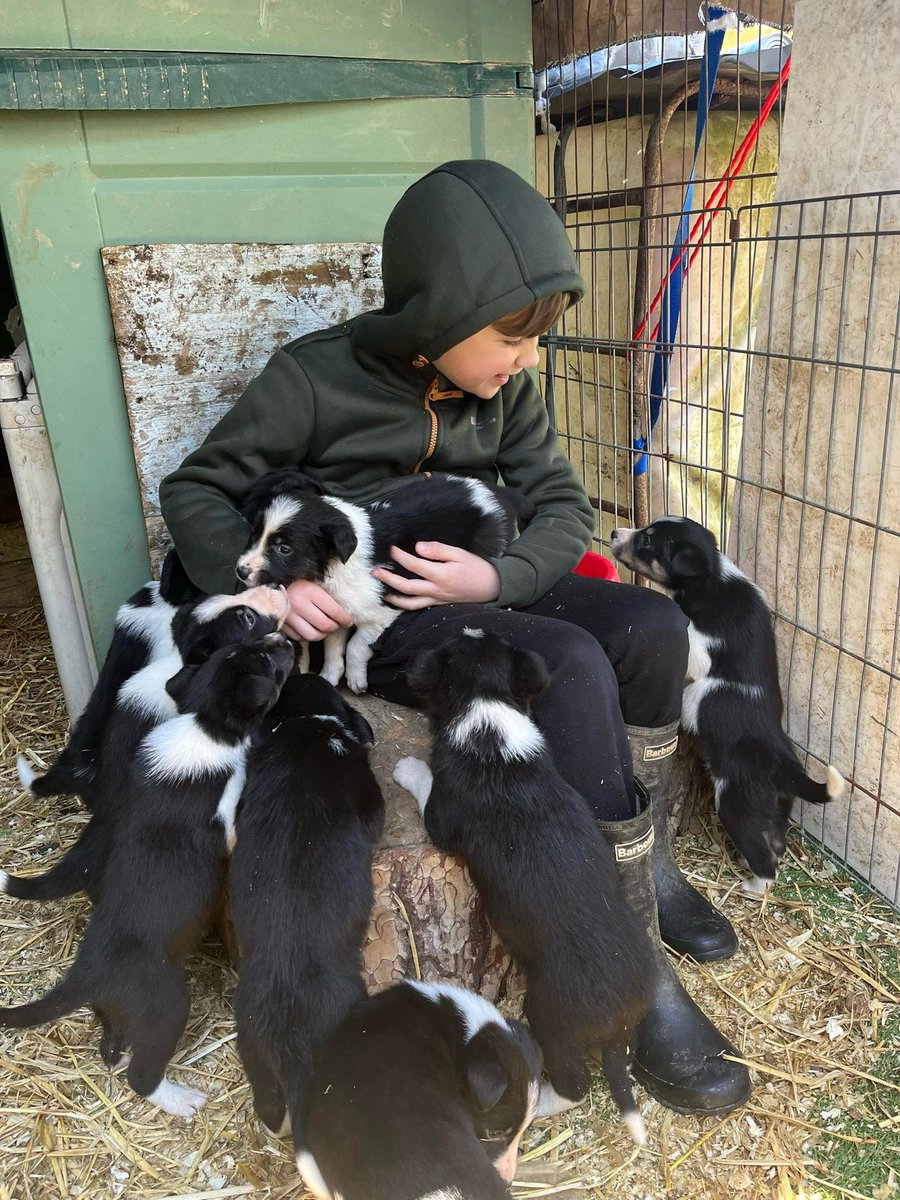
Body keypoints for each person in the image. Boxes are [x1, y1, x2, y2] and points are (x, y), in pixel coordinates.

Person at [160, 159, 750, 1115]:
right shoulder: (310, 379)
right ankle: (631, 970)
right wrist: (276, 585)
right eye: (509, 337)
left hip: (481, 582)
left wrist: (502, 578)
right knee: (567, 663)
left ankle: (645, 871)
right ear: (434, 317)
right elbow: (194, 488)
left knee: (651, 626)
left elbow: (559, 503)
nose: (526, 358)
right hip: (387, 616)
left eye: (535, 337)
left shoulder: (507, 393)